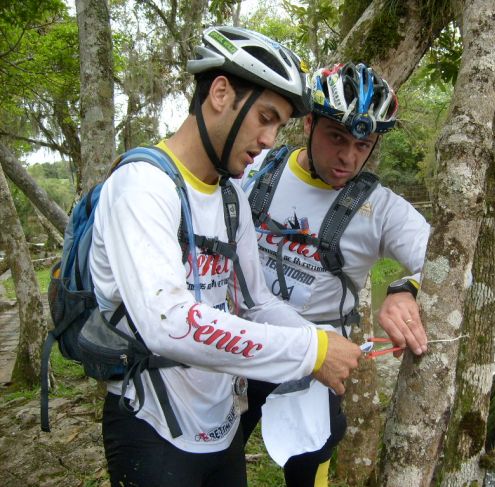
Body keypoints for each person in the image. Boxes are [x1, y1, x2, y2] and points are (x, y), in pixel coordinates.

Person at [88, 27, 361, 487]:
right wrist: (309, 351)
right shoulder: (141, 187)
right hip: (152, 428)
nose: (271, 139)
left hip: (220, 428)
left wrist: (321, 338)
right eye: (266, 117)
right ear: (220, 93)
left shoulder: (230, 193)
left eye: (280, 126)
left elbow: (256, 300)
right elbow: (169, 323)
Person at [239, 62, 431, 486]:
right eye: (337, 138)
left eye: (364, 145)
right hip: (241, 342)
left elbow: (450, 265)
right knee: (218, 459)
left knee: (307, 475)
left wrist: (406, 288)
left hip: (317, 364)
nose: (348, 157)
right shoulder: (257, 169)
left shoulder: (380, 208)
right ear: (309, 124)